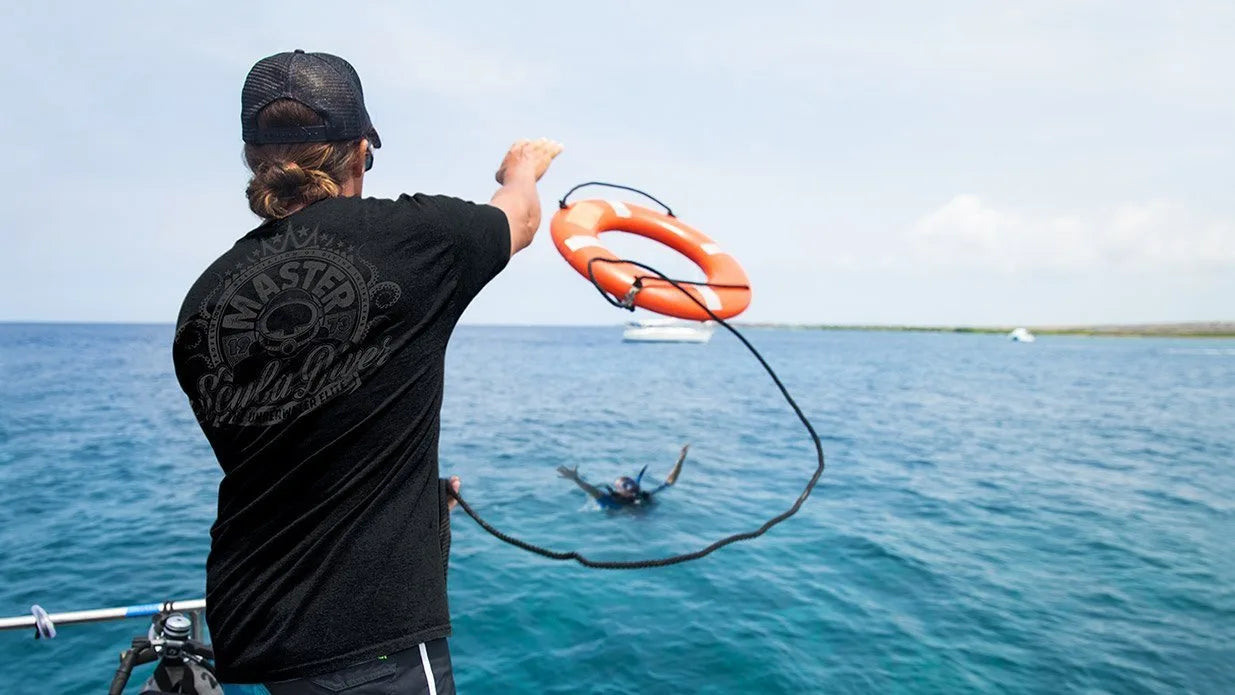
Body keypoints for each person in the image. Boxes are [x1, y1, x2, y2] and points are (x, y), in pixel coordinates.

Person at [171, 49, 562, 694]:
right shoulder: (421, 237)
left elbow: (291, 446)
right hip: (374, 645)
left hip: (260, 628)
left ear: (252, 156)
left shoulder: (203, 301)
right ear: (360, 151)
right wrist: (520, 170)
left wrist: (410, 492)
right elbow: (518, 219)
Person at [557, 445, 689, 508]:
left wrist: (681, 459)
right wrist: (576, 479)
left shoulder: (645, 495)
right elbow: (592, 491)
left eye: (631, 482)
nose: (631, 485)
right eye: (625, 485)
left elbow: (670, 482)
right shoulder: (612, 501)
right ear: (618, 491)